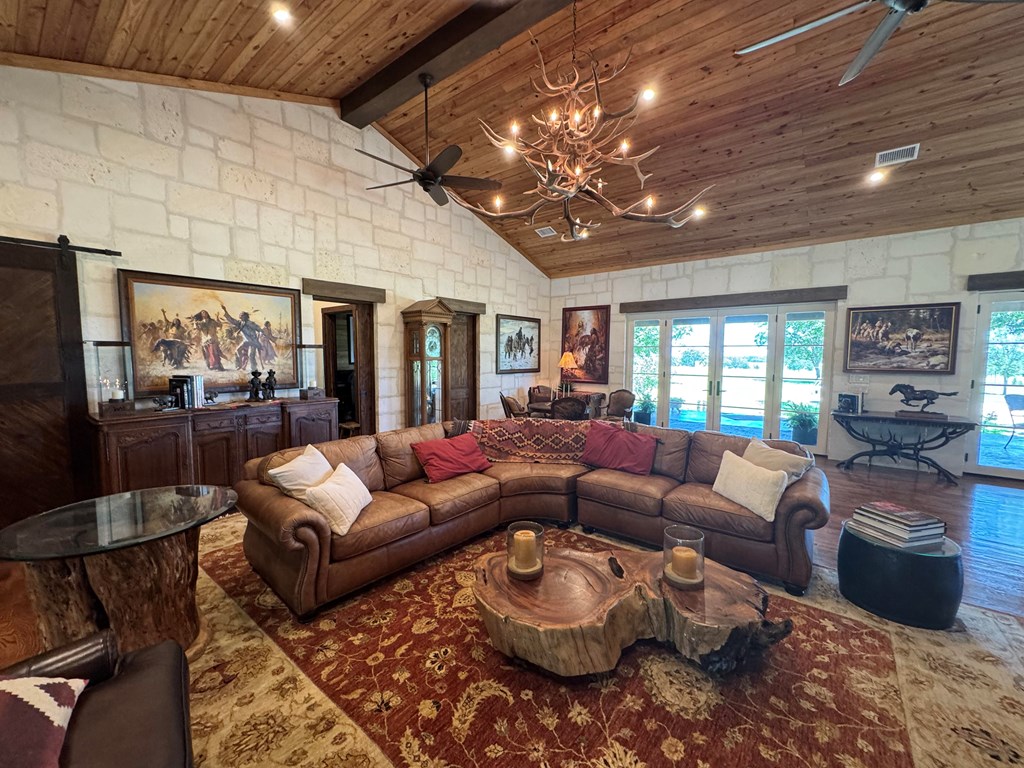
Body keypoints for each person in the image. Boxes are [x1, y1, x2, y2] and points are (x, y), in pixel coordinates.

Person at [221, 303, 265, 370]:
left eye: (242, 315)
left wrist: (261, 334)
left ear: (246, 316)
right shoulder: (240, 323)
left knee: (251, 355)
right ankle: (240, 365)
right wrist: (225, 310)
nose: (240, 316)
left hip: (253, 341)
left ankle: (254, 369)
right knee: (238, 350)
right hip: (246, 341)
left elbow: (259, 329)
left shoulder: (251, 323)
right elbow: (231, 320)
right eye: (240, 315)